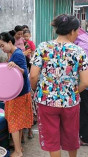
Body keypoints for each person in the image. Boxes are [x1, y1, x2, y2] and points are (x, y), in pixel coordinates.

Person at [30, 14, 88, 157]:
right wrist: (73, 93)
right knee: (71, 136)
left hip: (46, 101)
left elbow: (33, 75)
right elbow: (85, 82)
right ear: (72, 31)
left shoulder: (43, 47)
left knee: (52, 140)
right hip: (70, 102)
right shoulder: (78, 51)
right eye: (77, 31)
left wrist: (36, 89)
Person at [0, 32, 33, 157]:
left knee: (14, 122)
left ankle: (17, 151)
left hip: (18, 94)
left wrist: (16, 66)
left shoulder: (17, 54)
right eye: (0, 46)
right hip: (19, 92)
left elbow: (23, 71)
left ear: (10, 42)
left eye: (2, 45)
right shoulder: (14, 53)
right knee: (18, 121)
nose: (2, 48)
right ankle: (19, 147)